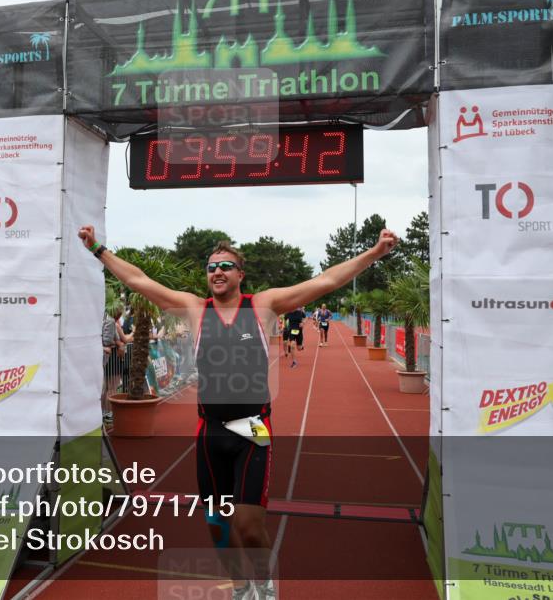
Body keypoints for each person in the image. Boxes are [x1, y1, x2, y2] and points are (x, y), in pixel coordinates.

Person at [77, 225, 398, 600]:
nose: (218, 272)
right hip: (209, 431)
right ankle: (241, 586)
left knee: (247, 523)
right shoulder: (195, 310)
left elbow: (326, 280)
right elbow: (138, 279)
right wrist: (98, 248)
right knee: (217, 525)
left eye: (227, 266)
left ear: (240, 275)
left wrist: (375, 252)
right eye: (212, 266)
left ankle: (264, 583)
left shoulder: (263, 307)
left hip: (252, 428)